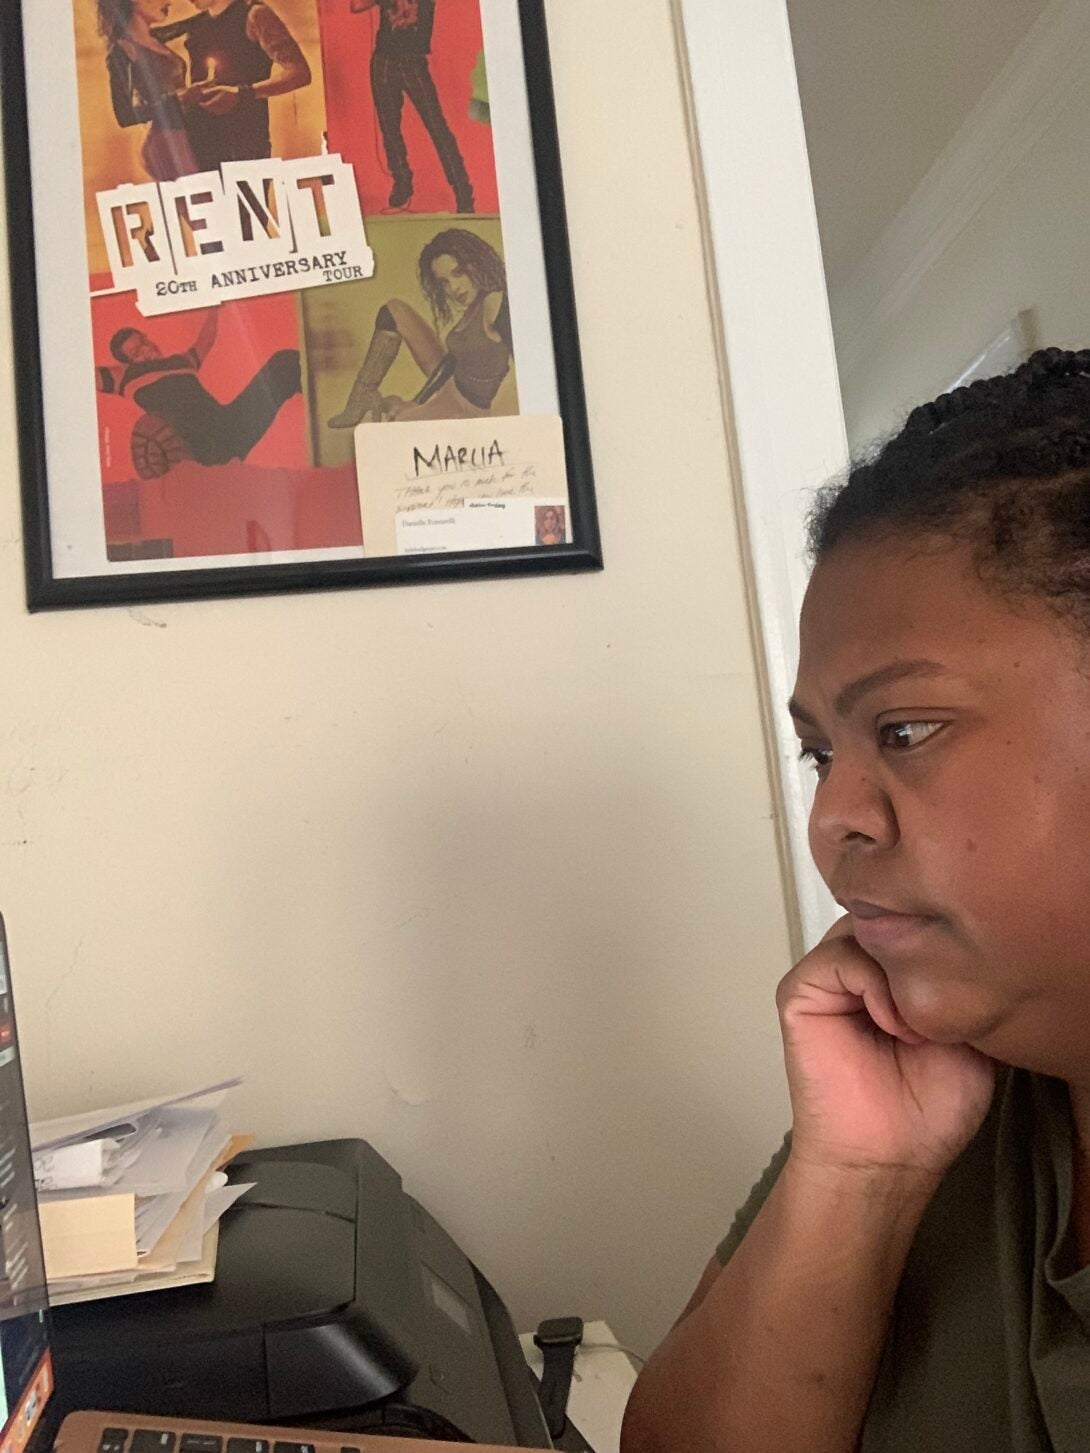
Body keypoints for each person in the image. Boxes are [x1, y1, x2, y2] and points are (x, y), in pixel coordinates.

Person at [620, 348, 1090, 1453]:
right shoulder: (944, 1065)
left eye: (905, 730)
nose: (833, 816)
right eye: (817, 750)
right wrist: (859, 1175)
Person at [328, 228, 511, 428]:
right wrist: (419, 400)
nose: (454, 288)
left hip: (468, 407)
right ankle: (362, 397)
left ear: (476, 264)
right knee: (393, 311)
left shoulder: (495, 302)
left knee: (398, 423)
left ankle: (389, 404)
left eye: (458, 273)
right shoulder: (474, 307)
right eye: (444, 282)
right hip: (451, 383)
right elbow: (450, 362)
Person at [95, 309, 301, 478]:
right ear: (127, 361)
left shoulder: (182, 361)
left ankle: (333, 405)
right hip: (196, 448)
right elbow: (83, 375)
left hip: (230, 428)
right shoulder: (124, 377)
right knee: (157, 433)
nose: (146, 350)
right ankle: (184, 484)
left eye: (143, 342)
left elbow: (207, 338)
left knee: (284, 363)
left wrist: (214, 305)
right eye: (136, 352)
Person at [154, 0, 311, 172]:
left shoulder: (255, 15)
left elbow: (299, 73)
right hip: (198, 140)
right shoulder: (196, 24)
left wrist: (242, 93)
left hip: (244, 140)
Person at [349, 0, 474, 214]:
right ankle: (402, 180)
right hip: (384, 60)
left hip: (413, 61)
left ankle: (463, 192)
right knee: (389, 128)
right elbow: (356, 5)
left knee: (437, 127)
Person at [96, 0, 203, 181]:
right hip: (165, 142)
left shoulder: (154, 38)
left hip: (181, 136)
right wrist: (180, 98)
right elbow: (125, 116)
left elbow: (197, 21)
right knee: (196, 203)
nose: (168, 2)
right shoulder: (121, 50)